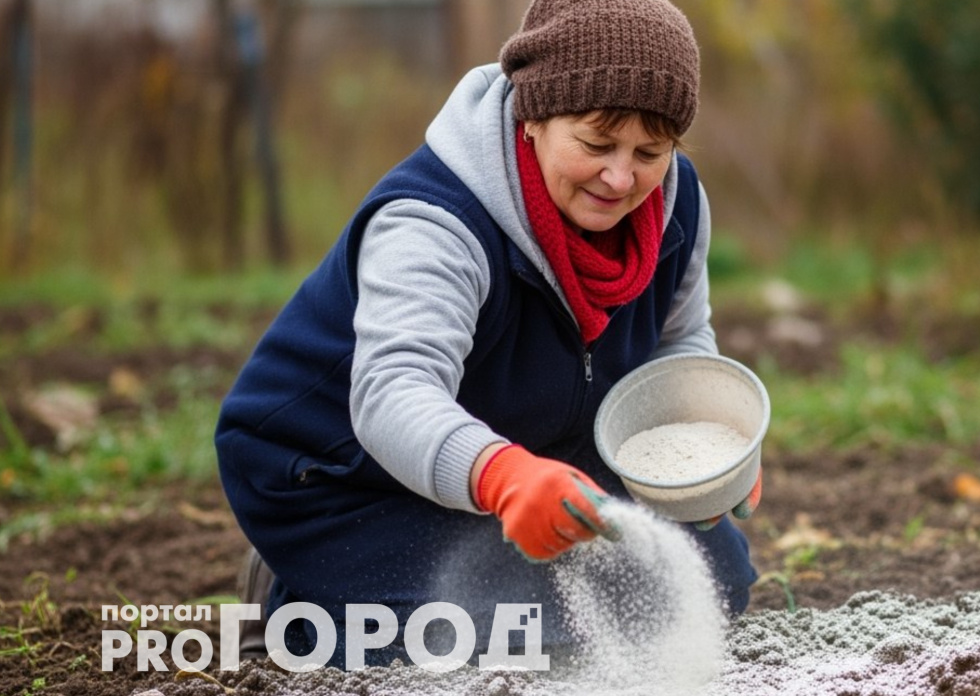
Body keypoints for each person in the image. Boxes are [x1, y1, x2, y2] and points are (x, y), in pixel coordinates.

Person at [215, 0, 760, 669]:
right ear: (532, 116)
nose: (622, 178)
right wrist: (503, 479)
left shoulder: (677, 203)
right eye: (595, 145)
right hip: (340, 479)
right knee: (508, 629)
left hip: (529, 448)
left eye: (650, 152)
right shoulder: (434, 223)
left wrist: (707, 449)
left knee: (716, 581)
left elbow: (679, 341)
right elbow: (393, 392)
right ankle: (289, 590)